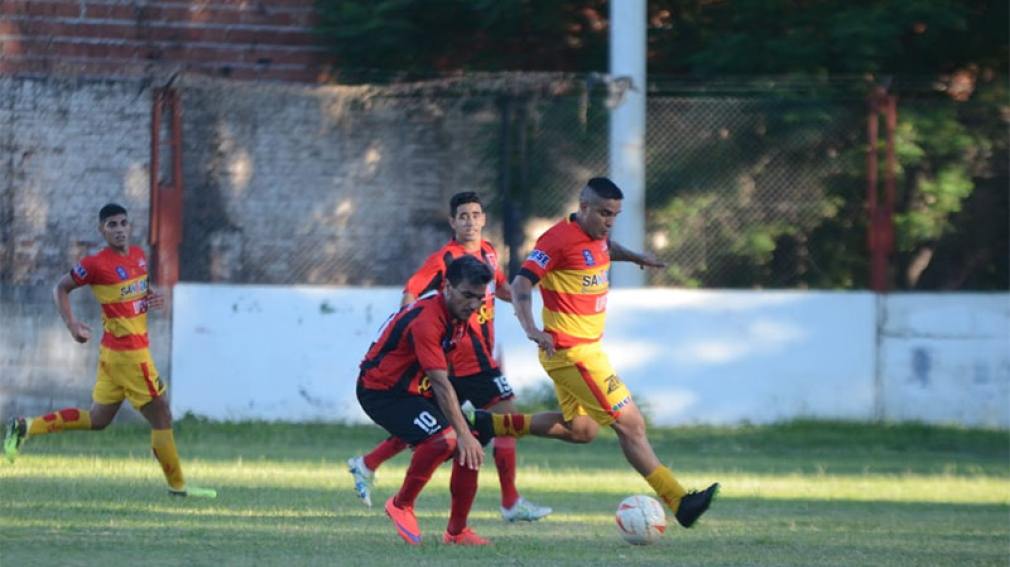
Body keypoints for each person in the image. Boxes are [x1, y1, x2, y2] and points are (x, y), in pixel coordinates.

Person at [470, 177, 719, 528]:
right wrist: (531, 328)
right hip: (573, 354)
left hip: (585, 351)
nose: (609, 221)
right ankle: (680, 501)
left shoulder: (597, 236)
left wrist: (635, 258)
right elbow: (522, 282)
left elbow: (605, 248)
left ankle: (488, 423)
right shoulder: (556, 240)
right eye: (604, 213)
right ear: (583, 207)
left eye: (615, 214)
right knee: (631, 424)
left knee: (582, 430)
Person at [347, 192, 551, 522]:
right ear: (453, 222)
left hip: (476, 357)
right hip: (458, 360)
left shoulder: (488, 253)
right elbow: (412, 291)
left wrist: (525, 301)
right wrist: (411, 333)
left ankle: (369, 463)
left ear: (484, 219)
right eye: (463, 216)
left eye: (475, 215)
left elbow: (500, 288)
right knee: (498, 419)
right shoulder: (445, 259)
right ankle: (509, 502)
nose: (470, 222)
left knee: (441, 423)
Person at [2, 203, 216, 499]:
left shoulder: (139, 256)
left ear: (129, 226)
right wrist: (72, 324)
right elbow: (60, 288)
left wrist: (147, 299)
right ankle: (178, 487)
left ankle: (25, 427)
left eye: (123, 223)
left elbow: (133, 296)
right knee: (162, 415)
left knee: (97, 419)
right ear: (102, 230)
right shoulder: (96, 264)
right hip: (130, 355)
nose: (119, 229)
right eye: (111, 225)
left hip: (115, 355)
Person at [356, 255, 495, 545]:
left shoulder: (458, 316)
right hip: (381, 391)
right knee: (445, 440)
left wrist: (465, 430)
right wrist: (459, 431)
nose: (473, 304)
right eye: (467, 295)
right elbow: (440, 383)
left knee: (473, 437)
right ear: (447, 287)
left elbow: (448, 374)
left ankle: (457, 532)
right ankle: (401, 504)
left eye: (479, 298)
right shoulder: (427, 320)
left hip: (414, 390)